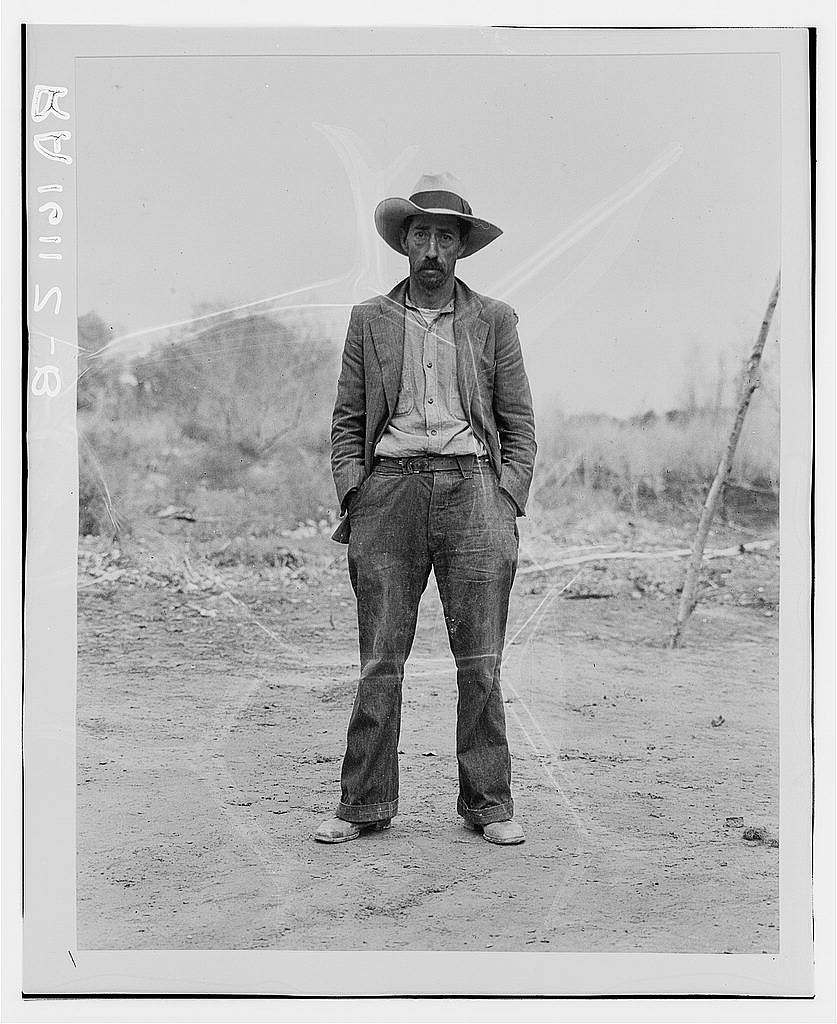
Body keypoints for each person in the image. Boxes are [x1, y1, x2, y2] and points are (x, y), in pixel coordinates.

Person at [314, 172, 537, 846]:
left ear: (461, 248)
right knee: (380, 659)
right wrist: (358, 491)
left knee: (481, 660)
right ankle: (363, 807)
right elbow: (346, 422)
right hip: (390, 493)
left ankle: (489, 806)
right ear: (404, 245)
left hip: (474, 492)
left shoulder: (493, 319)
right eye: (421, 235)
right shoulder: (369, 320)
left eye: (445, 236)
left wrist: (504, 500)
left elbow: (518, 423)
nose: (433, 248)